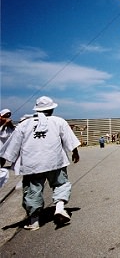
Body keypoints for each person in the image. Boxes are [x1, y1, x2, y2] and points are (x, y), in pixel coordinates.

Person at [0, 96, 80, 231]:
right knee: (60, 184)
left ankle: (34, 221)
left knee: (32, 190)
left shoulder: (25, 124)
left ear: (37, 109)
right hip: (55, 161)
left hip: (32, 164)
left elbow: (12, 147)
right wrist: (75, 152)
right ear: (52, 109)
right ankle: (59, 208)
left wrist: (5, 161)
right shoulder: (58, 121)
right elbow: (69, 139)